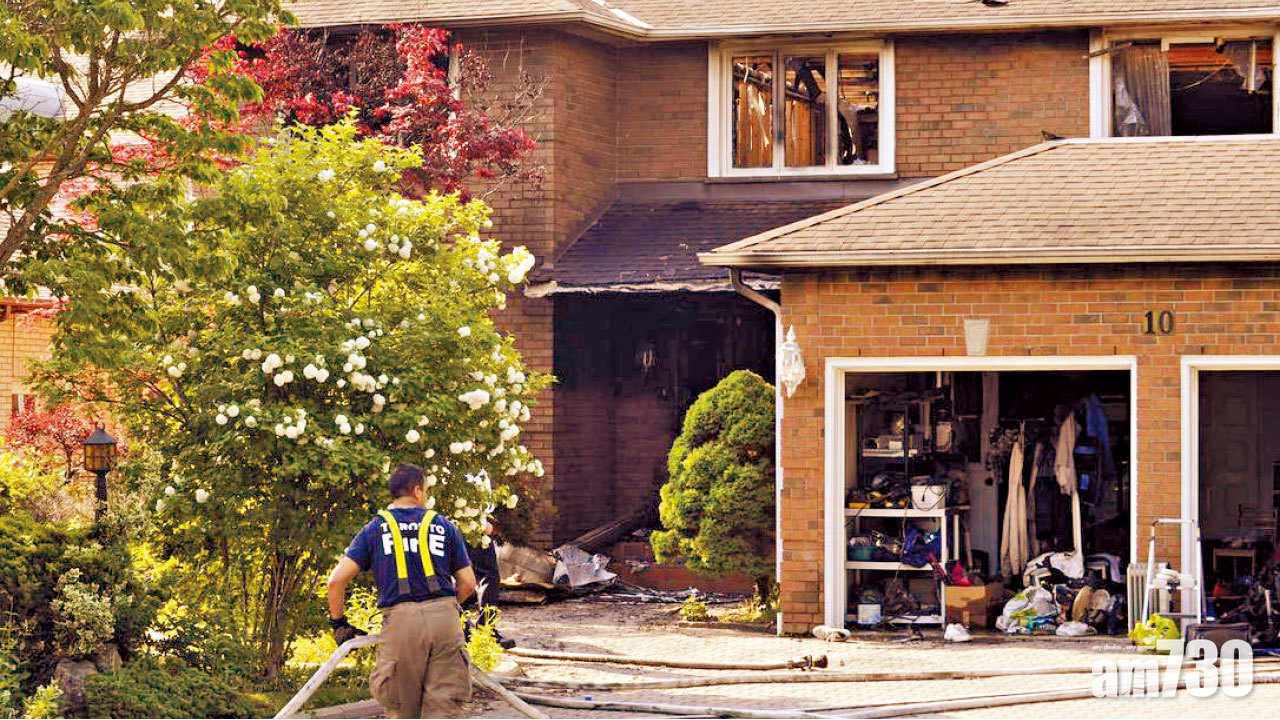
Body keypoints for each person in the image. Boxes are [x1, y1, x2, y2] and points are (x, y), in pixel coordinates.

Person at [326, 463, 477, 719]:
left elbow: (336, 581)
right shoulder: (443, 525)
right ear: (417, 491)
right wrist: (453, 609)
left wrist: (339, 622)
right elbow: (468, 583)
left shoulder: (374, 529)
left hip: (401, 621)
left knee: (401, 706)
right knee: (446, 708)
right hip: (444, 618)